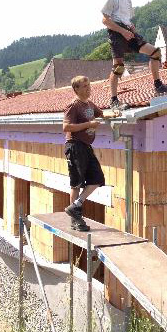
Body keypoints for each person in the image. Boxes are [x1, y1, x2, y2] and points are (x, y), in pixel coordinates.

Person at [101, 0, 167, 111]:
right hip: (116, 33)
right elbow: (105, 20)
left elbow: (126, 18)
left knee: (155, 53)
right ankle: (114, 101)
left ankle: (158, 85)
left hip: (128, 31)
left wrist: (131, 27)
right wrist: (122, 31)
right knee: (118, 67)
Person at [63, 75, 120, 231]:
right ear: (76, 89)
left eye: (89, 85)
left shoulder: (89, 105)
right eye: (84, 86)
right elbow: (66, 127)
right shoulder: (73, 106)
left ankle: (75, 206)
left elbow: (101, 115)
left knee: (97, 178)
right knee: (77, 184)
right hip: (74, 146)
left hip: (86, 146)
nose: (88, 89)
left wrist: (113, 114)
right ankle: (75, 220)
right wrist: (89, 124)